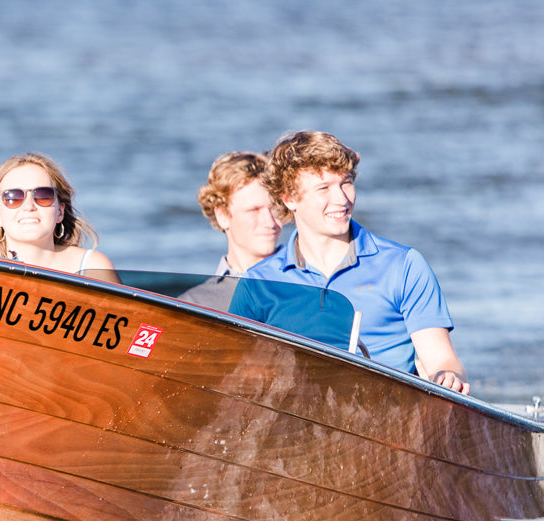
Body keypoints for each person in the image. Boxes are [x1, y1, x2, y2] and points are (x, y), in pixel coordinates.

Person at [230, 131, 470, 394]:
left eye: (346, 183)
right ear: (289, 198)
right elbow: (238, 380)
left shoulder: (404, 265)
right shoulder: (257, 283)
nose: (342, 199)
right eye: (324, 188)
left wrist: (447, 376)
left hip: (389, 421)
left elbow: (443, 361)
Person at [0, 153, 119, 282]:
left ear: (60, 211)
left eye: (43, 196)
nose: (29, 206)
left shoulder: (92, 267)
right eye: (13, 197)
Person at [179, 151, 284, 310]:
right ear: (222, 215)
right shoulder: (194, 305)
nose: (269, 221)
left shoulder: (309, 282)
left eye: (274, 208)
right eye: (253, 210)